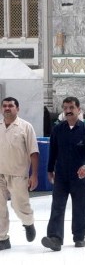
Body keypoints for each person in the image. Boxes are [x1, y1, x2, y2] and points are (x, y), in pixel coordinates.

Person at [41, 97, 85, 251]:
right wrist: (50, 169)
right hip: (62, 175)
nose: (68, 111)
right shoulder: (58, 129)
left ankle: (79, 236)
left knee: (82, 207)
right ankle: (55, 238)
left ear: (78, 109)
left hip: (80, 176)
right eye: (65, 108)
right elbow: (53, 151)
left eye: (71, 107)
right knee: (57, 206)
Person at [0, 97, 39, 251]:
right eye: (4, 106)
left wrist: (34, 175)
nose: (7, 108)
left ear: (18, 108)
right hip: (0, 173)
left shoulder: (25, 127)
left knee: (19, 206)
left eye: (10, 106)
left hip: (18, 174)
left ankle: (28, 223)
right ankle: (3, 238)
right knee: (0, 208)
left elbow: (34, 152)